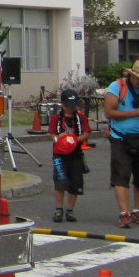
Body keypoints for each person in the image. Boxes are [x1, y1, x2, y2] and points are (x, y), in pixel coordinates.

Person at [103, 58, 139, 229]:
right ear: (132, 75)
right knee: (122, 175)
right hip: (121, 137)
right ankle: (124, 213)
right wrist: (134, 113)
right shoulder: (117, 87)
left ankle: (137, 210)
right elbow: (109, 112)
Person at [48, 89, 92, 222]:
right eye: (68, 106)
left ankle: (70, 210)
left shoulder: (81, 118)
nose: (70, 109)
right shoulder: (56, 118)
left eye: (73, 106)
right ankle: (59, 208)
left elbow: (86, 134)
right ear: (62, 104)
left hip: (75, 153)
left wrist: (73, 140)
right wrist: (59, 139)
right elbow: (52, 134)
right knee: (60, 181)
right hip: (59, 154)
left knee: (75, 182)